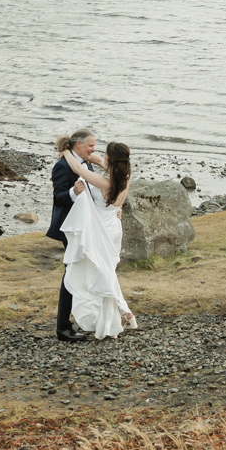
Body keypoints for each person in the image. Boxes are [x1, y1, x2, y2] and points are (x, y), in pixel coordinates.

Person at [60, 140, 137, 339]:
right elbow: (96, 160)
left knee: (102, 272)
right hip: (112, 226)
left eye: (105, 155)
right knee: (106, 270)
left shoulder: (106, 182)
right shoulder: (124, 176)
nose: (102, 157)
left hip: (100, 228)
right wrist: (88, 155)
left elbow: (78, 168)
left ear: (111, 159)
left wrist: (66, 151)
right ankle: (123, 311)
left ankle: (123, 309)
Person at [47, 128, 98, 342]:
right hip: (70, 228)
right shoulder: (61, 166)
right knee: (71, 273)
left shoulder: (85, 163)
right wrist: (72, 192)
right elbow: (58, 198)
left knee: (83, 271)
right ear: (78, 145)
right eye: (91, 146)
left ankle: (84, 317)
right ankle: (63, 328)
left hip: (84, 226)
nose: (93, 150)